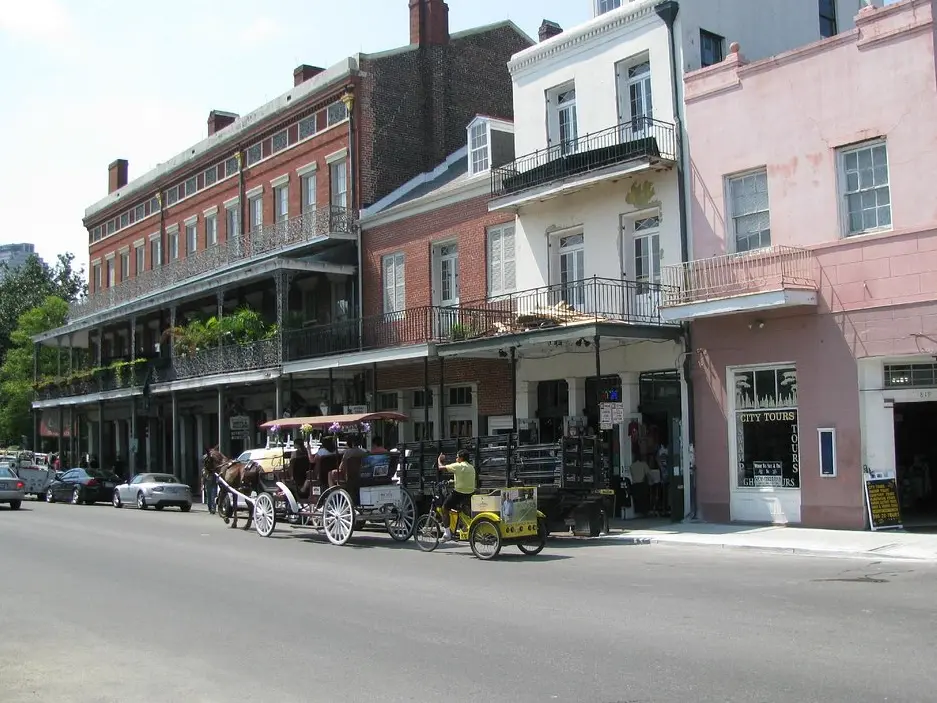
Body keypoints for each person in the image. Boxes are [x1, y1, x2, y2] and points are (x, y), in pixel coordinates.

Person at [437, 449, 476, 542]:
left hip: (459, 494)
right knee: (459, 508)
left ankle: (447, 533)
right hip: (470, 493)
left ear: (461, 458)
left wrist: (439, 459)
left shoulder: (458, 466)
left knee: (444, 508)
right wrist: (453, 481)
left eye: (457, 457)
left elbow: (440, 467)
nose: (456, 458)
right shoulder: (471, 467)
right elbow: (465, 479)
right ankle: (463, 525)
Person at [201, 447, 218, 514]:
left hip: (213, 484)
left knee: (213, 497)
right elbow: (202, 478)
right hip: (207, 485)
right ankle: (210, 509)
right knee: (209, 498)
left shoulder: (214, 470)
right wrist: (202, 486)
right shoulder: (204, 471)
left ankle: (213, 509)